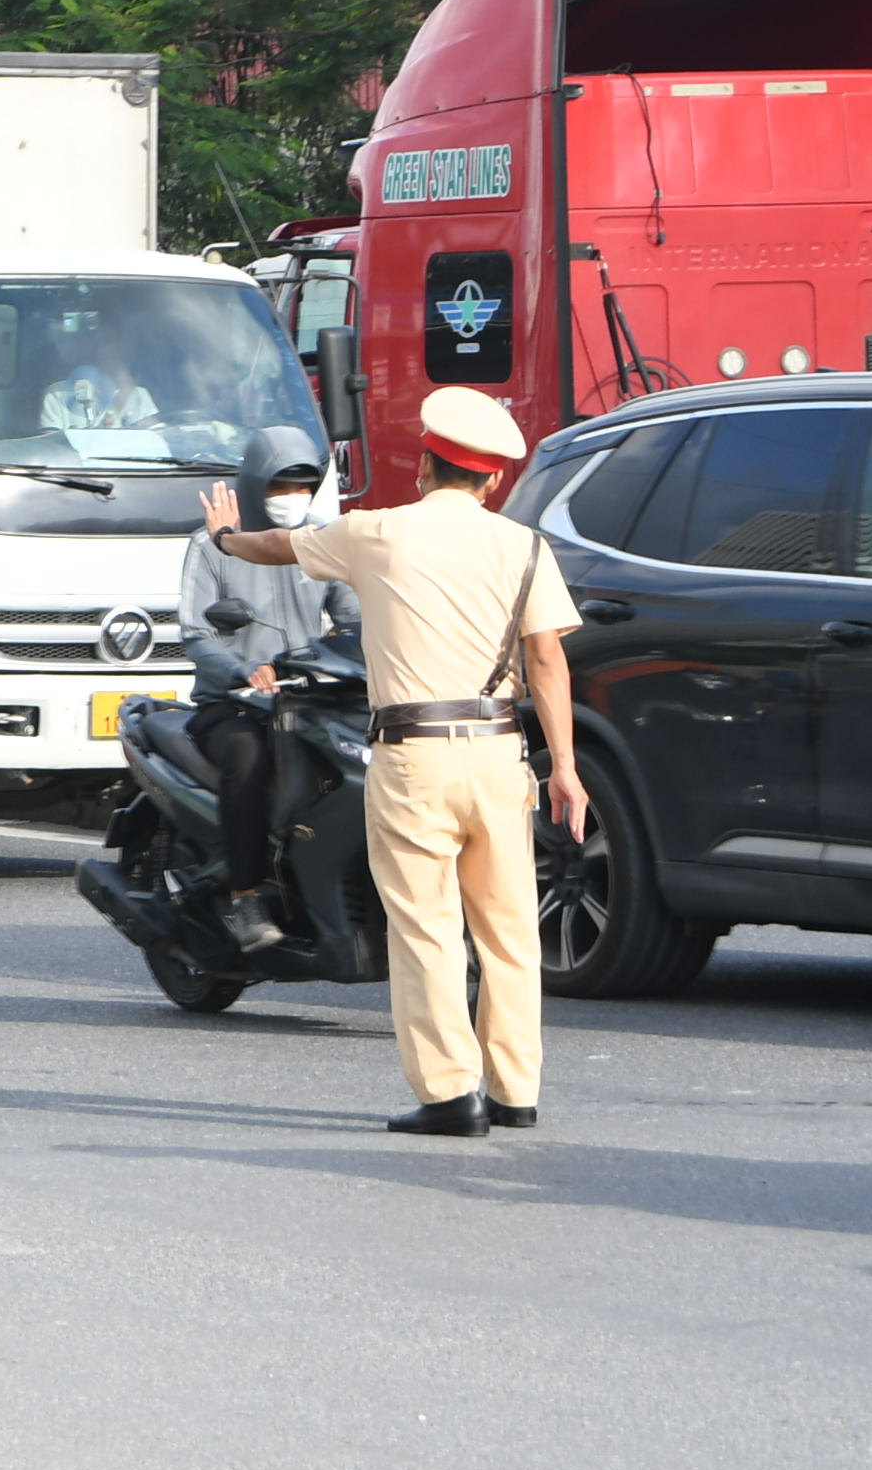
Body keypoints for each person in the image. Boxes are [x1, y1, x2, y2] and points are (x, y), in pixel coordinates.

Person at [199, 385, 584, 1136]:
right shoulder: (523, 546)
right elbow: (548, 661)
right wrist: (563, 765)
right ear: (493, 479)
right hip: (503, 755)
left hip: (414, 758)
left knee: (428, 927)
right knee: (509, 932)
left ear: (423, 469)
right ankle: (515, 1092)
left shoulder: (376, 532)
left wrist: (224, 541)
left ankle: (450, 1096)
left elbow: (280, 546)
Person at [175, 425, 359, 951]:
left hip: (306, 701)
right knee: (250, 760)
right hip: (231, 707)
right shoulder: (211, 546)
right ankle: (245, 896)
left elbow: (353, 621)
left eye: (302, 486)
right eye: (279, 488)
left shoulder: (321, 542)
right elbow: (197, 635)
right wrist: (242, 672)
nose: (290, 499)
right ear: (255, 485)